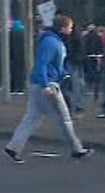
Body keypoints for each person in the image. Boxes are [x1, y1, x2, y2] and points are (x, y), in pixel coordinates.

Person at [5, 14, 94, 164]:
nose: (71, 30)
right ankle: (77, 149)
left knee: (32, 117)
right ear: (63, 28)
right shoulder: (52, 43)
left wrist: (61, 76)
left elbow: (47, 65)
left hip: (39, 83)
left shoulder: (49, 40)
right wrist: (47, 84)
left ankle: (14, 146)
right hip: (48, 84)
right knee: (64, 119)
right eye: (70, 27)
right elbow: (43, 64)